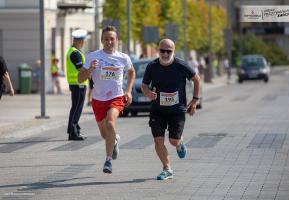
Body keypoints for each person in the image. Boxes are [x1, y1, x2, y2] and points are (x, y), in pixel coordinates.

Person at [141, 38, 201, 180]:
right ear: (158, 51)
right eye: (163, 51)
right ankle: (167, 168)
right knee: (158, 141)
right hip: (158, 110)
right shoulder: (152, 66)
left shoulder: (181, 65)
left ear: (173, 51)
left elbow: (196, 79)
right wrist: (148, 93)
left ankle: (179, 143)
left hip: (177, 111)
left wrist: (195, 100)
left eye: (169, 51)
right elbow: (144, 85)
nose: (166, 54)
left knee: (173, 141)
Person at [78, 26, 135, 174]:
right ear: (102, 40)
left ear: (116, 40)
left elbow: (131, 71)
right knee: (105, 134)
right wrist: (90, 69)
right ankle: (114, 140)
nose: (109, 41)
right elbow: (80, 78)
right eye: (106, 39)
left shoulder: (123, 57)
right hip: (98, 99)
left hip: (116, 97)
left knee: (110, 122)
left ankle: (108, 160)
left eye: (112, 39)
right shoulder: (92, 56)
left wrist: (128, 91)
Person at [66, 29, 88, 141]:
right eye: (83, 40)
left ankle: (74, 129)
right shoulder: (75, 53)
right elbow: (81, 68)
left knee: (76, 107)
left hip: (76, 83)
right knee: (77, 108)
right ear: (81, 41)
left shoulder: (73, 51)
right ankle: (73, 132)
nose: (84, 43)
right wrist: (91, 70)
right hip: (78, 84)